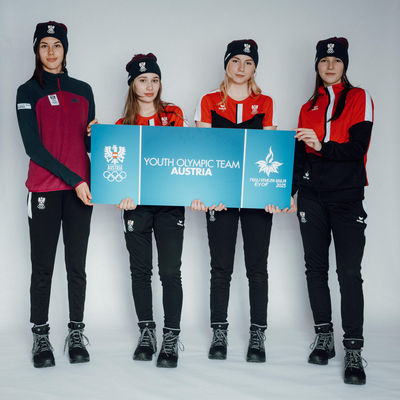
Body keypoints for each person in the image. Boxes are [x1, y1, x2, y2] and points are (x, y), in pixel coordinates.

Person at [192, 39, 287, 362]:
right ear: (226, 64)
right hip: (220, 199)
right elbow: (203, 152)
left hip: (256, 197)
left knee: (257, 268)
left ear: (255, 67)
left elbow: (271, 152)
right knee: (221, 268)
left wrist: (272, 194)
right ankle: (219, 332)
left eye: (248, 62)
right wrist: (207, 194)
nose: (241, 68)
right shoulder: (208, 101)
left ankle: (258, 334)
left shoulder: (266, 102)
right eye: (235, 61)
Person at [292, 37, 373, 385]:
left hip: (346, 197)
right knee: (315, 268)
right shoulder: (307, 106)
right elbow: (299, 156)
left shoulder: (359, 98)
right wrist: (289, 192)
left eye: (336, 61)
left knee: (349, 272)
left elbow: (357, 148)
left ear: (344, 65)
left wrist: (321, 145)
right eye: (324, 60)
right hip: (311, 197)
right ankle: (323, 336)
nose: (329, 66)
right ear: (317, 65)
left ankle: (353, 348)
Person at [16, 21, 96, 368]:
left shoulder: (84, 90)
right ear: (37, 50)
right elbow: (33, 147)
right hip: (45, 189)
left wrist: (95, 136)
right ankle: (40, 334)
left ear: (65, 49)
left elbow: (86, 143)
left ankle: (76, 332)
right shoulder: (27, 91)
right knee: (43, 267)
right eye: (44, 45)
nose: (51, 52)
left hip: (81, 192)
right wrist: (74, 178)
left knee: (77, 266)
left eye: (57, 45)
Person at [116, 53, 185, 368]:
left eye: (154, 80)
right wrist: (121, 194)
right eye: (142, 80)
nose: (149, 86)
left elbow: (185, 156)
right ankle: (147, 332)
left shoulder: (174, 114)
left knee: (170, 271)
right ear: (132, 84)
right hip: (137, 207)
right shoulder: (121, 125)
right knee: (140, 271)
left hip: (170, 205)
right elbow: (116, 170)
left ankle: (171, 336)